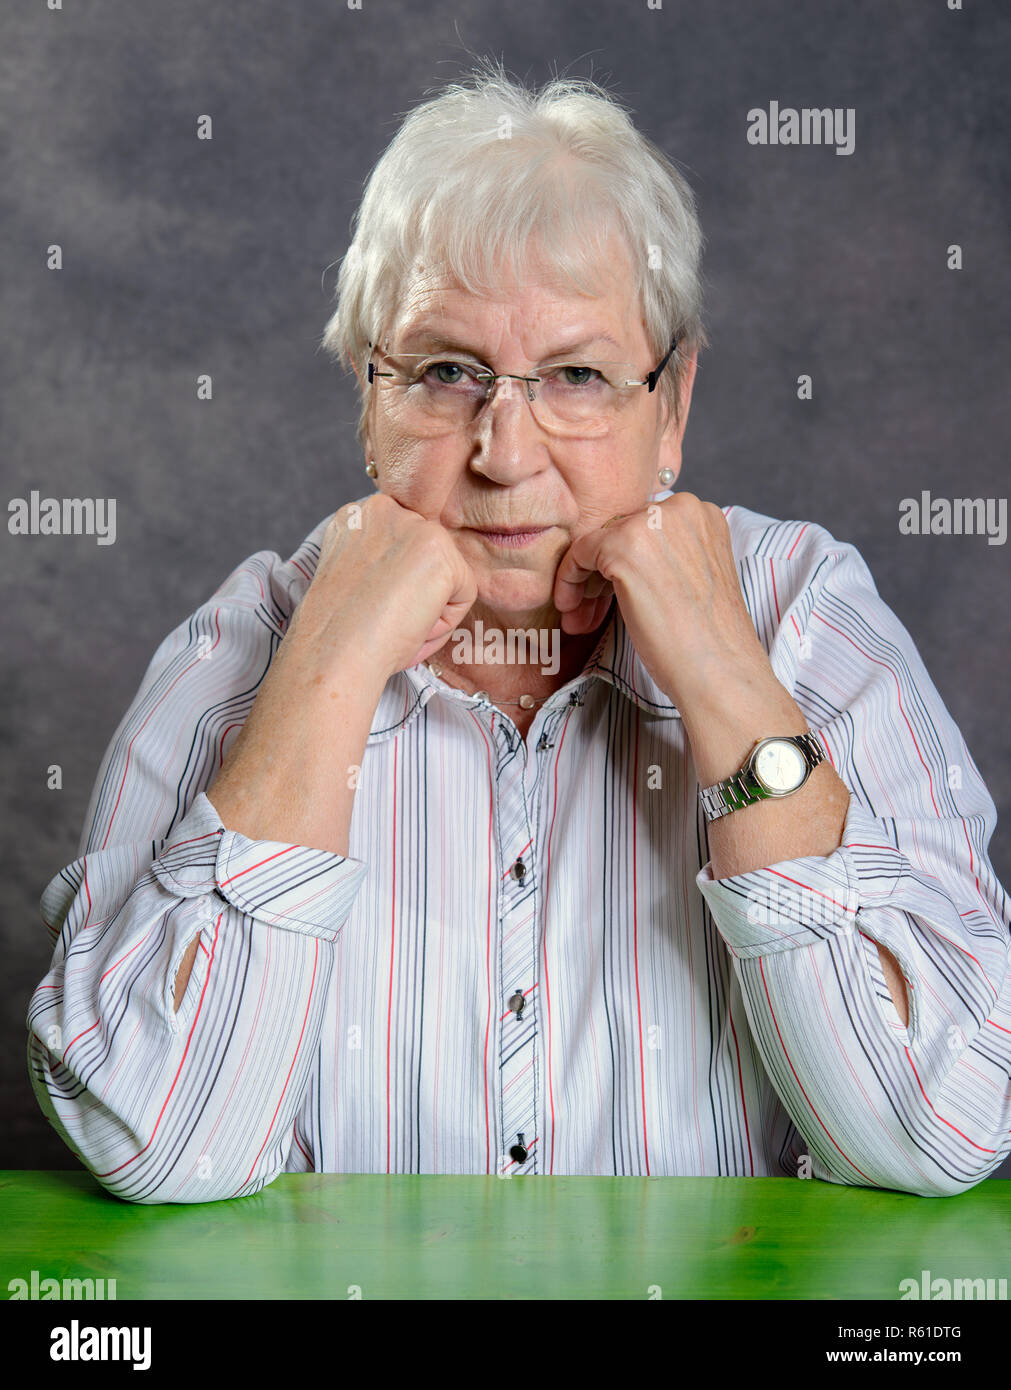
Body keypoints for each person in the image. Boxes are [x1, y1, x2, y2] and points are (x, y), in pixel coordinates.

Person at [27, 62, 1010, 1203]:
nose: (504, 452)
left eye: (577, 376)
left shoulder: (802, 611)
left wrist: (725, 677)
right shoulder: (244, 641)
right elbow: (157, 1140)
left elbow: (942, 1127)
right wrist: (329, 665)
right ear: (368, 399)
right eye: (445, 372)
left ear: (672, 407)